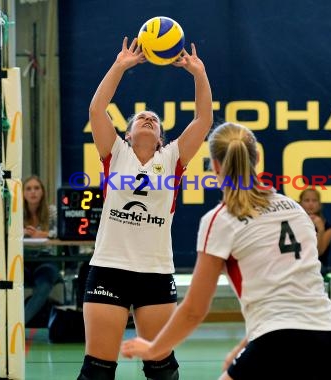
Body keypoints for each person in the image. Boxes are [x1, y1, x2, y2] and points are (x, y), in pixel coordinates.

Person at [121, 122, 331, 380]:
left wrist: (154, 348)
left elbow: (195, 308)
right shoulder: (294, 209)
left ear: (215, 166)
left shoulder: (220, 220)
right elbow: (290, 293)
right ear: (257, 158)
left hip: (279, 344)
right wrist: (245, 348)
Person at [76, 37, 213, 380]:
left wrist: (199, 73)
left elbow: (204, 119)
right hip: (109, 268)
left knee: (161, 369)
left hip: (154, 271)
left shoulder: (172, 159)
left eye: (154, 119)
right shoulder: (115, 153)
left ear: (162, 137)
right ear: (128, 132)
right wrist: (120, 65)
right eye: (141, 118)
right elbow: (96, 109)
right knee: (97, 371)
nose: (148, 119)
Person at [22, 175, 61, 325]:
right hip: (23, 259)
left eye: (37, 188)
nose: (33, 192)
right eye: (29, 189)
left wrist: (42, 234)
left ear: (43, 192)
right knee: (9, 281)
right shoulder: (16, 212)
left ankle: (20, 325)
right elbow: (6, 232)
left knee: (44, 284)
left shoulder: (51, 211)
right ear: (23, 193)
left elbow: (62, 231)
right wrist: (22, 233)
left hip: (46, 259)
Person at [298, 188, 331, 278]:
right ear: (300, 204)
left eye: (314, 200)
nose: (310, 203)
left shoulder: (328, 228)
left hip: (317, 265)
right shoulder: (294, 223)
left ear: (319, 204)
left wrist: (320, 230)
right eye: (307, 200)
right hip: (297, 263)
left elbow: (319, 252)